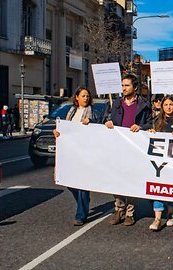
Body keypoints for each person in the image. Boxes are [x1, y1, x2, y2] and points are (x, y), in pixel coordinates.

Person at [104, 74, 152, 226]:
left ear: (135, 87)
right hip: (118, 147)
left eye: (127, 85)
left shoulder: (144, 104)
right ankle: (119, 209)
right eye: (122, 85)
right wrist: (108, 122)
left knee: (132, 180)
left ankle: (130, 212)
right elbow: (104, 119)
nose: (123, 88)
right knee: (117, 179)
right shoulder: (116, 103)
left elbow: (150, 123)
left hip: (135, 148)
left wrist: (141, 127)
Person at [53, 87, 100, 226]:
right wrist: (57, 131)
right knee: (68, 181)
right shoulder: (71, 112)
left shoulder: (94, 113)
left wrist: (90, 123)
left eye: (87, 96)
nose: (86, 98)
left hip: (85, 153)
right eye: (83, 96)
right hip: (71, 152)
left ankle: (81, 214)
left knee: (82, 183)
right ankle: (84, 201)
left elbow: (99, 128)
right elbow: (66, 129)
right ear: (77, 97)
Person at [147, 95, 173, 231]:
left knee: (170, 189)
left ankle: (171, 214)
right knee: (159, 188)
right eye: (166, 105)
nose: (168, 107)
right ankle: (157, 218)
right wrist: (151, 132)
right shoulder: (157, 120)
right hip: (159, 161)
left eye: (171, 104)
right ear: (162, 106)